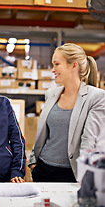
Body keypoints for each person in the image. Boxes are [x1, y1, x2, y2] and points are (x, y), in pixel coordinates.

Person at [28, 43, 105, 182]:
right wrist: (34, 161)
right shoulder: (51, 94)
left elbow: (89, 139)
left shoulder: (96, 97)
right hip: (43, 169)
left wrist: (85, 174)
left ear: (74, 65)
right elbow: (43, 132)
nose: (53, 70)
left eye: (57, 64)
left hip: (71, 173)